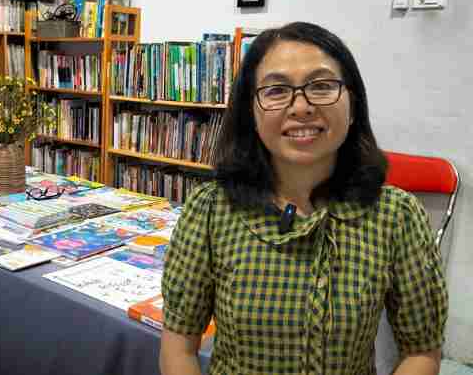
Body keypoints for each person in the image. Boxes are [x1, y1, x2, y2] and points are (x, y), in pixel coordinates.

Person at [160, 22, 448, 375]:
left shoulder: (396, 215)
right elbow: (179, 348)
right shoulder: (209, 210)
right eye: (277, 90)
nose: (301, 107)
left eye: (323, 85)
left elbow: (421, 351)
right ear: (251, 111)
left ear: (353, 105)